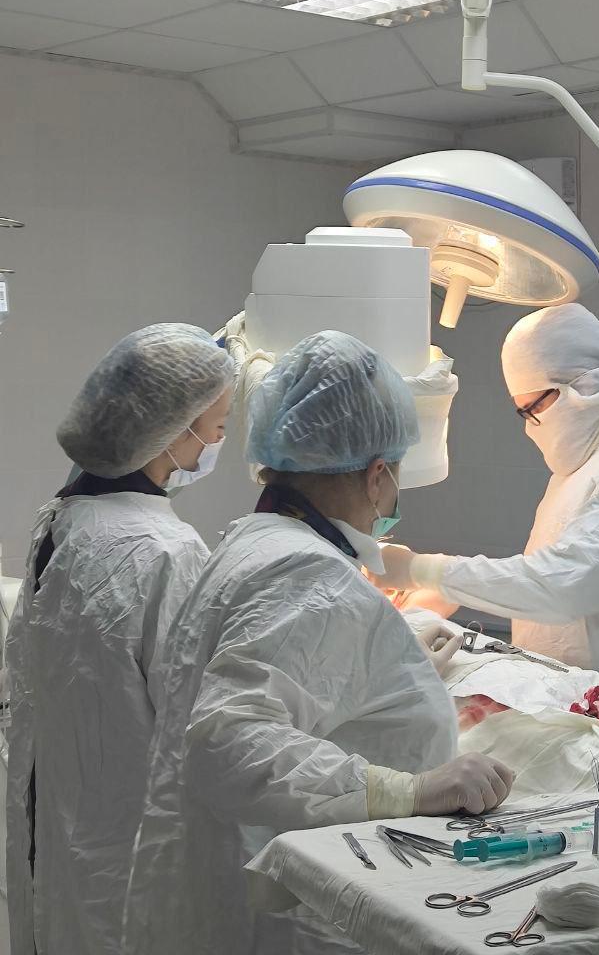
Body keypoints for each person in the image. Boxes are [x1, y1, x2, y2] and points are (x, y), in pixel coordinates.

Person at [122, 331, 515, 955]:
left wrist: (391, 673)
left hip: (223, 891)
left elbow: (274, 680)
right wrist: (412, 790)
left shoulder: (255, 541)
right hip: (290, 913)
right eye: (393, 480)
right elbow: (228, 742)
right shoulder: (306, 573)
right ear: (377, 474)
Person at [5, 324, 234, 955]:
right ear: (172, 430)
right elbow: (201, 720)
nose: (220, 439)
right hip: (125, 845)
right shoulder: (164, 550)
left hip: (56, 825)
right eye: (217, 424)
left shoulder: (64, 516)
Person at [376, 303, 599, 721]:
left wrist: (422, 570)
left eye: (531, 409)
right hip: (586, 701)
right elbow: (553, 570)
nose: (529, 426)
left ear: (577, 388)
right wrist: (446, 591)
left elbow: (562, 585)